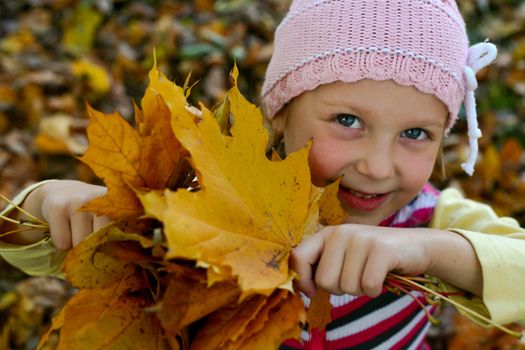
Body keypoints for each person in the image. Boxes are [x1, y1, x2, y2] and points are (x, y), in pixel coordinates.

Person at [1, 0, 525, 348]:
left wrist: (430, 252)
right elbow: (16, 242)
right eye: (348, 121)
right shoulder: (214, 200)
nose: (378, 166)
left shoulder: (430, 221)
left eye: (416, 134)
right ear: (281, 113)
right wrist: (48, 204)